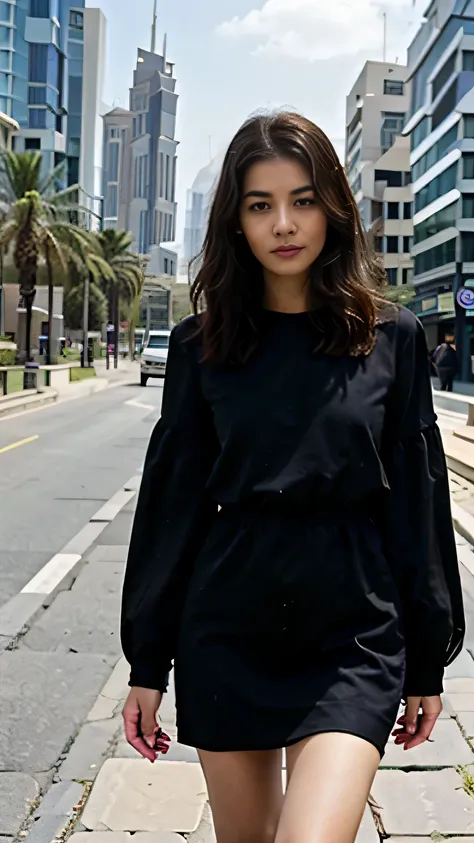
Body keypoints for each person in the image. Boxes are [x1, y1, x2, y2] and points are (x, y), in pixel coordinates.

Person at [121, 112, 465, 843]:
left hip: (353, 637)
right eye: (260, 204)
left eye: (303, 199)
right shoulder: (199, 347)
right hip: (228, 631)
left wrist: (428, 659)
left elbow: (418, 508)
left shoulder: (393, 338)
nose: (284, 222)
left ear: (333, 206)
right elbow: (170, 510)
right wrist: (147, 662)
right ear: (235, 222)